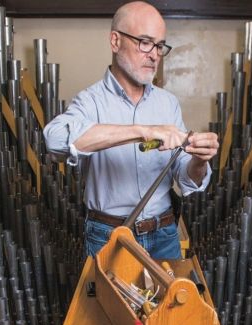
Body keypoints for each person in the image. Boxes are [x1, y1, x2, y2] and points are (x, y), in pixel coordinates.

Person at [43, 1, 219, 259]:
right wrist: (142, 130)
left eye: (159, 45)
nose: (154, 54)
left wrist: (199, 161)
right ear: (115, 41)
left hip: (164, 233)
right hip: (109, 236)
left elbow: (184, 175)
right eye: (145, 42)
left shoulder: (167, 103)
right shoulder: (90, 101)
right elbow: (54, 139)